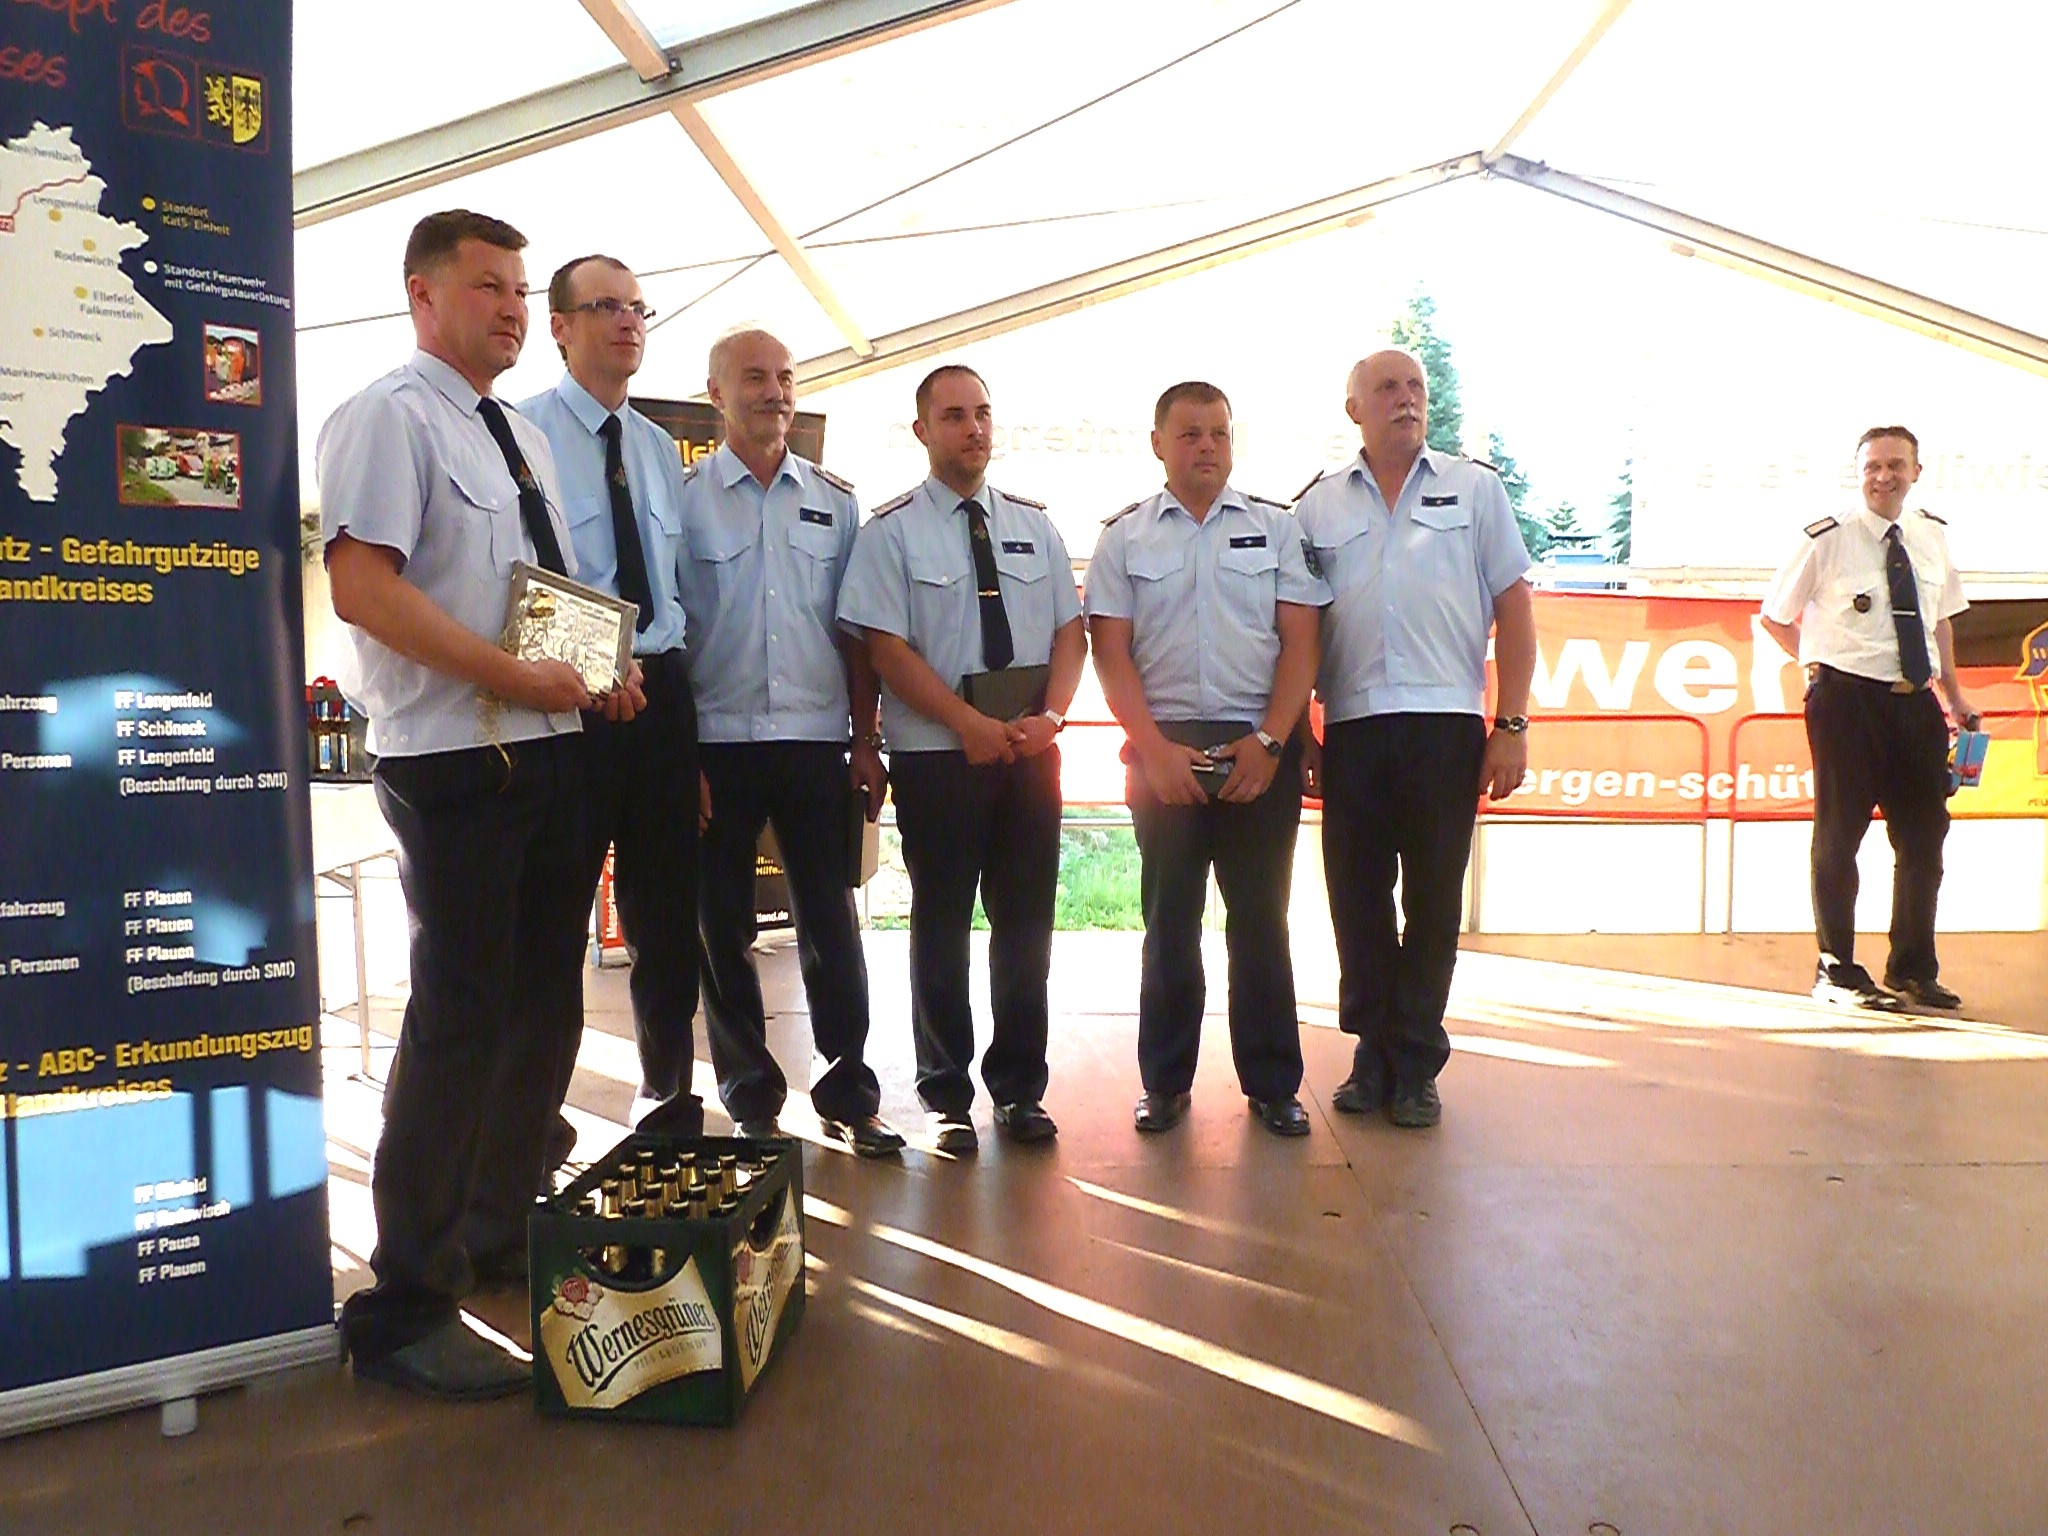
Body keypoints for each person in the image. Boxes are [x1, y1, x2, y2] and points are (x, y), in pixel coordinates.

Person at [319, 209, 644, 1399]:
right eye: (487, 287)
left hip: (549, 752)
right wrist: (513, 673)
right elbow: (363, 588)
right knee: (458, 1022)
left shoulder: (516, 432)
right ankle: (403, 1305)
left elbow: (530, 588)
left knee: (542, 1008)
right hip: (458, 762)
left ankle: (494, 1228)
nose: (511, 308)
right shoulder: (387, 417)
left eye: (518, 288)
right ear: (423, 296)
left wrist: (600, 666)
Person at [837, 365, 1085, 1152]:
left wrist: (1052, 717)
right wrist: (965, 723)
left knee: (1026, 929)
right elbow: (884, 649)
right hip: (939, 757)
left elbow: (1069, 633)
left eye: (982, 413)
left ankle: (1019, 1091)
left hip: (1028, 754)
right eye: (954, 416)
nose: (974, 428)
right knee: (941, 928)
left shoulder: (1035, 526)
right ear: (922, 431)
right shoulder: (891, 532)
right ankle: (945, 1097)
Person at [676, 329, 904, 1157]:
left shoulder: (836, 503)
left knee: (830, 925)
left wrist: (866, 742)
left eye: (785, 377)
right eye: (754, 378)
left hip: (814, 742)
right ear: (716, 393)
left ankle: (850, 1093)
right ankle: (751, 1098)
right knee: (721, 930)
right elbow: (669, 636)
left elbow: (857, 635)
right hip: (717, 745)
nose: (774, 392)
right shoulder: (682, 501)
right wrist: (681, 758)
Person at [1294, 349, 1534, 1130]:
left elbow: (1515, 608)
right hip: (1353, 723)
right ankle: (1373, 1053)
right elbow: (1293, 629)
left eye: (1415, 387)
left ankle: (1417, 1062)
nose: (1406, 399)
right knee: (1356, 898)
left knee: (1433, 901)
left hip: (1446, 723)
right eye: (1388, 388)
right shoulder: (1316, 506)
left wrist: (1511, 725)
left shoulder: (1475, 489)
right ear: (1354, 409)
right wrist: (1298, 731)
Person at [1084, 381, 1329, 1137]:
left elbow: (1302, 642)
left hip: (1259, 746)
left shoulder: (1276, 529)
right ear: (1159, 444)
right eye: (1190, 434)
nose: (1207, 447)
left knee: (1261, 922)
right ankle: (1165, 1083)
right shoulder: (1125, 538)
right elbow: (1109, 652)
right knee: (1169, 922)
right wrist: (1153, 750)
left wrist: (1273, 741)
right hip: (1163, 751)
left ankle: (1273, 1085)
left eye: (1219, 433)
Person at [517, 254, 703, 1152]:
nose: (628, 322)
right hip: (568, 703)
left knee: (667, 917)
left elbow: (673, 589)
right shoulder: (522, 435)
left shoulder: (661, 449)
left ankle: (668, 1101)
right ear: (559, 327)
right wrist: (597, 670)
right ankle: (536, 1125)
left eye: (638, 307)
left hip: (661, 696)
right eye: (605, 307)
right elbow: (520, 581)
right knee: (554, 921)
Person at [1759, 425, 1979, 1011]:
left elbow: (1939, 621)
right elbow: (1774, 616)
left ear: (1916, 472)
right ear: (1858, 473)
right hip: (1846, 704)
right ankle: (1836, 969)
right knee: (1840, 836)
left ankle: (1912, 968)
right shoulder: (1826, 538)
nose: (1884, 477)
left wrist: (1954, 695)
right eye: (1872, 467)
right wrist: (1817, 664)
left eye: (1895, 465)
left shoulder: (1931, 536)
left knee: (1924, 837)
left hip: (1916, 703)